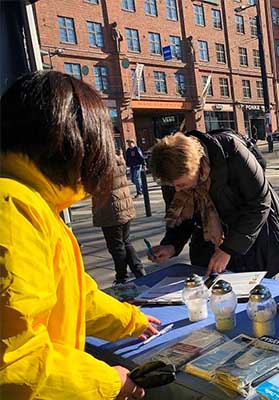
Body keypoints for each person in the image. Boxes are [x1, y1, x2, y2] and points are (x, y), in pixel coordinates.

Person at [0, 71, 160, 399]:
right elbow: (15, 363)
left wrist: (131, 320)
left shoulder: (33, 202)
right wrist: (108, 382)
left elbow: (76, 296)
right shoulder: (14, 208)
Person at [148, 131, 279, 278]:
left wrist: (228, 249)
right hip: (208, 249)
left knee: (257, 289)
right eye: (172, 185)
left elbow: (260, 204)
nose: (177, 190)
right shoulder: (171, 176)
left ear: (194, 167)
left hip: (253, 241)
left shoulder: (231, 151)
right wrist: (171, 245)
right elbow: (182, 217)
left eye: (181, 184)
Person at [92, 150, 146, 284]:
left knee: (116, 246)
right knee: (125, 241)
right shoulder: (118, 159)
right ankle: (138, 270)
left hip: (110, 209)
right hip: (123, 205)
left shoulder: (101, 164)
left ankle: (122, 276)